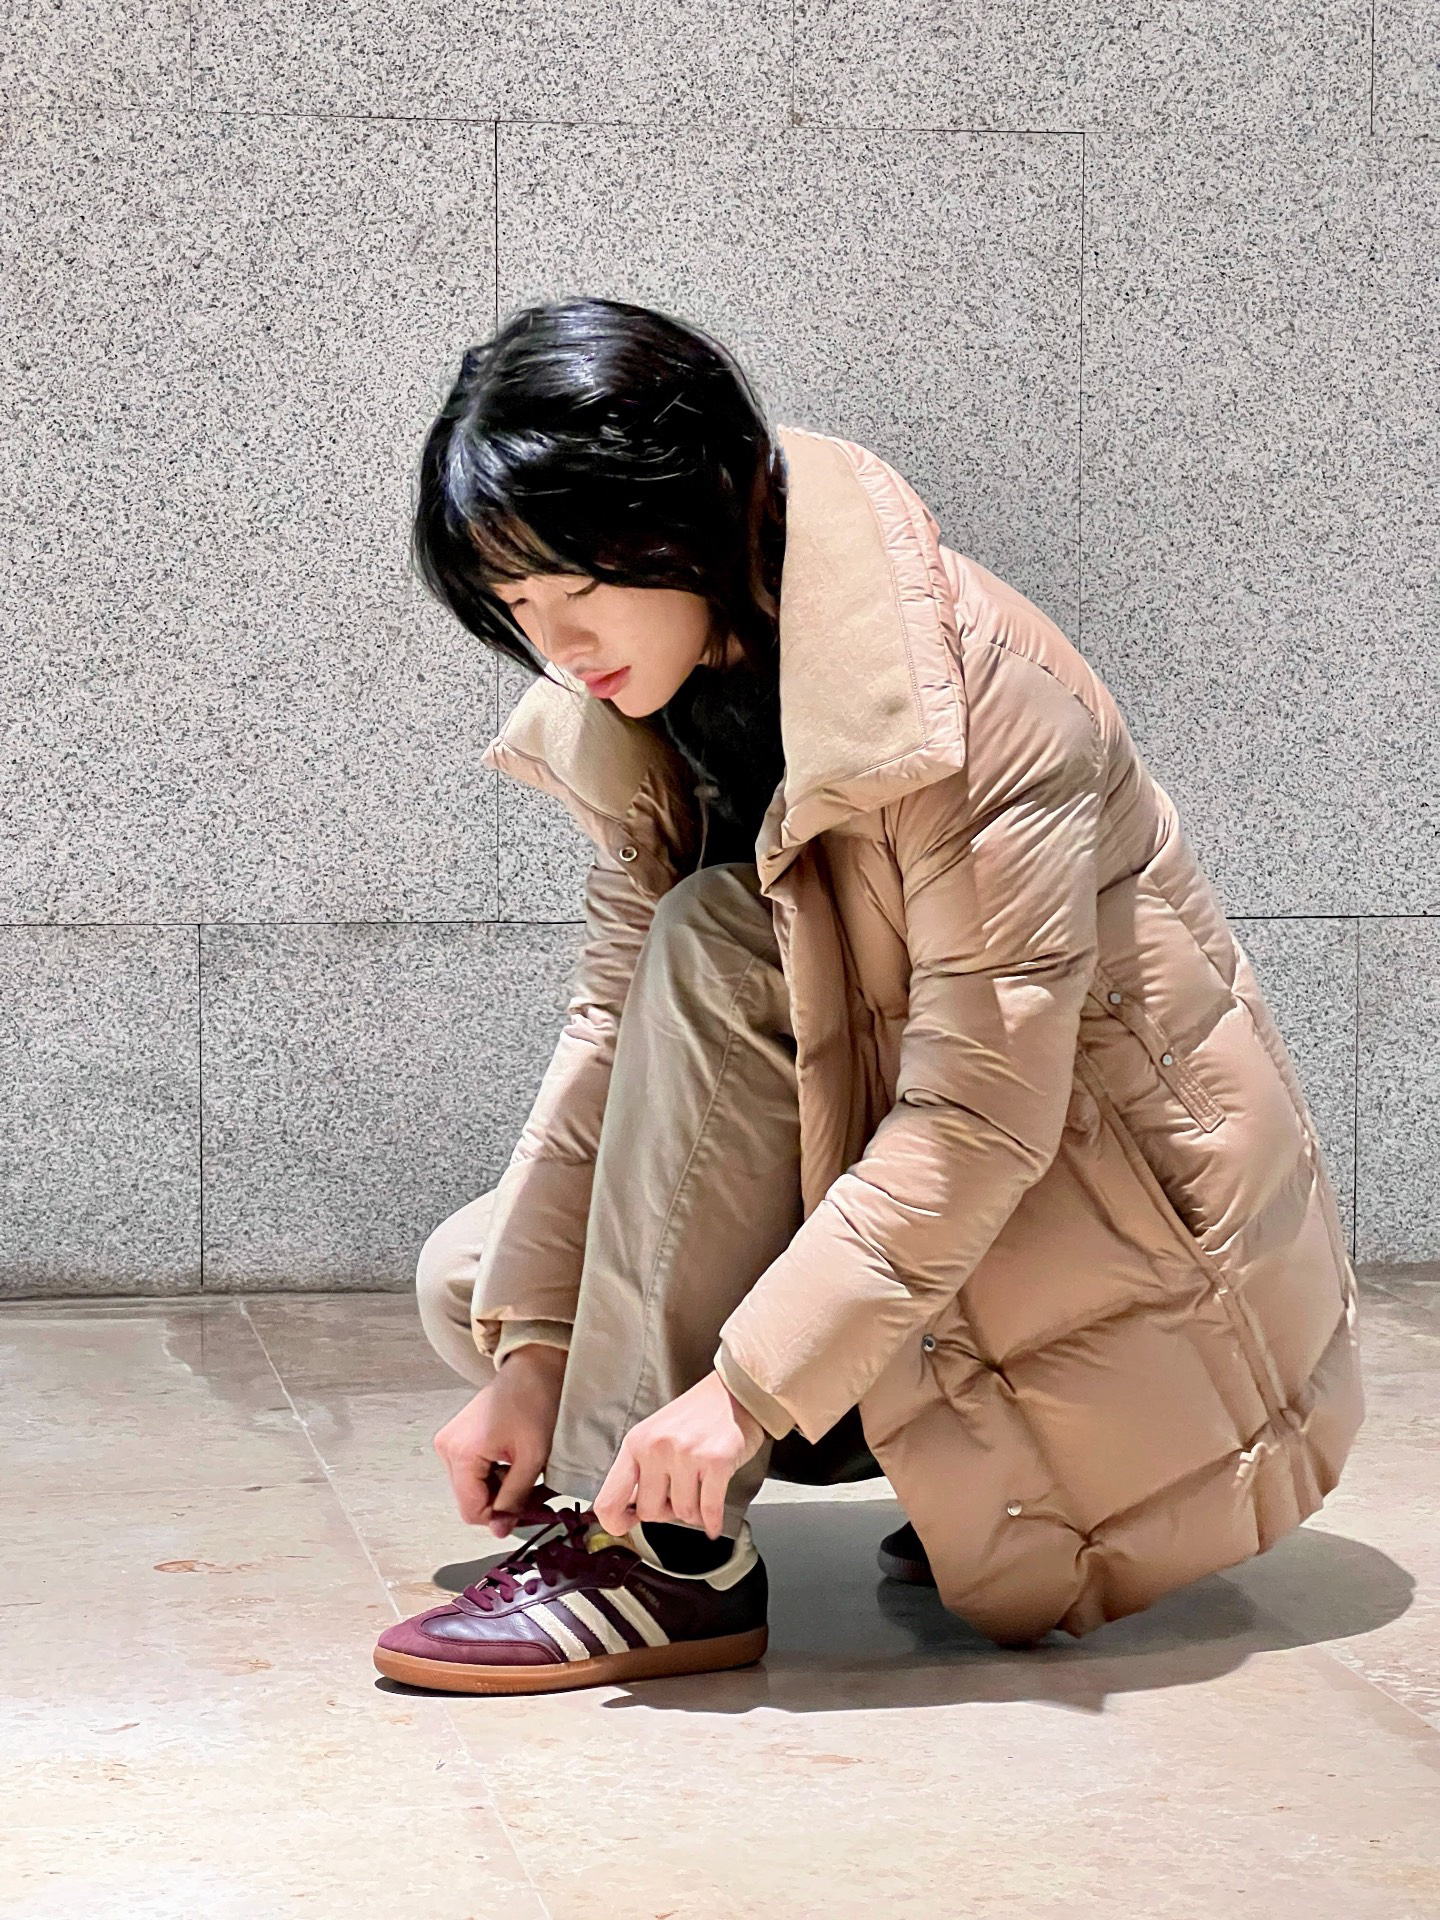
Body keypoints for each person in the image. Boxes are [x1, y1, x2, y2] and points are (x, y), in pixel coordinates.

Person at [373, 296, 1363, 1696]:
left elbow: (978, 1123)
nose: (558, 647)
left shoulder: (976, 699)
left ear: (686, 515)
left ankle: (664, 1564)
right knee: (478, 1283)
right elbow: (609, 1028)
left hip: (1132, 1270)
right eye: (518, 611)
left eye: (576, 591)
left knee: (719, 938)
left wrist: (741, 1395)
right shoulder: (656, 697)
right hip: (951, 1219)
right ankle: (863, 1464)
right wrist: (537, 1358)